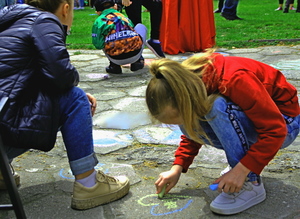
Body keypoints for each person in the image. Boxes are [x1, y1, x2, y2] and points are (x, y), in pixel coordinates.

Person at [0, 0, 129, 210]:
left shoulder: (8, 20)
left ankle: (1, 171)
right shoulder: (43, 20)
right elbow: (60, 74)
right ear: (66, 8)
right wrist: (71, 85)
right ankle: (89, 184)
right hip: (2, 133)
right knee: (76, 97)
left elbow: (17, 78)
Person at [145, 49, 300, 215]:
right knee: (208, 110)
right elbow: (193, 129)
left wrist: (241, 170)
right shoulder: (187, 83)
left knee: (215, 107)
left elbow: (276, 131)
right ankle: (242, 164)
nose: (184, 125)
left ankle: (251, 184)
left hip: (286, 123)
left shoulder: (234, 79)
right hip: (261, 122)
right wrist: (177, 166)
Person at [92, 0, 148, 74]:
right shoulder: (124, 17)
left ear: (98, 12)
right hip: (135, 54)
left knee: (101, 37)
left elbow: (98, 45)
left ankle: (114, 66)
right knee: (140, 27)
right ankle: (137, 62)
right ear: (115, 6)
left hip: (115, 58)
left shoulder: (98, 22)